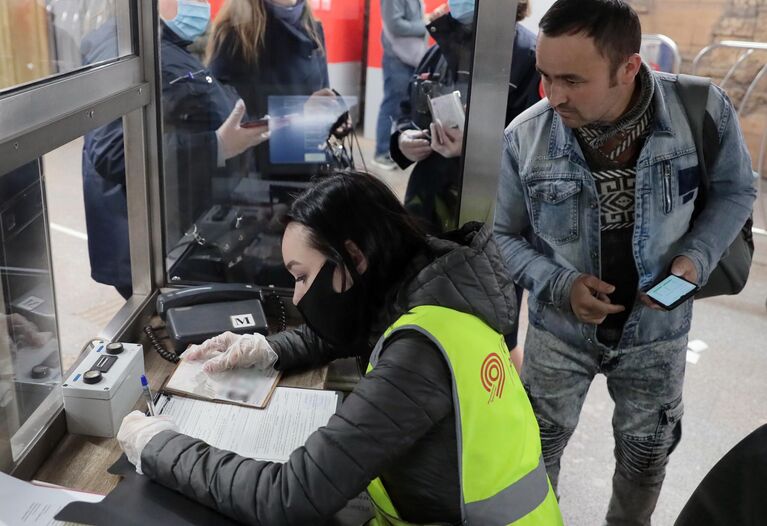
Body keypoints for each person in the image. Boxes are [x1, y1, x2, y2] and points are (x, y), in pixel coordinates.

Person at [117, 171, 563, 525]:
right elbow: (354, 329)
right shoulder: (437, 288)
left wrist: (159, 446)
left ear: (353, 257)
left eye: (302, 276)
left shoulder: (418, 358)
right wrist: (268, 349)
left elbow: (287, 496)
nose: (296, 297)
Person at [493, 1, 757, 524]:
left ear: (628, 68)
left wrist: (693, 261)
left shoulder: (701, 111)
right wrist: (559, 284)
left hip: (657, 332)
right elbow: (500, 236)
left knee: (645, 458)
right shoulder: (525, 137)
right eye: (545, 76)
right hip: (558, 336)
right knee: (534, 456)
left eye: (572, 79)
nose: (553, 95)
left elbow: (736, 191)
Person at [81, 0, 268, 298]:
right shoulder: (120, 49)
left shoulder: (162, 43)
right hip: (151, 250)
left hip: (180, 232)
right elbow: (113, 152)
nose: (202, 5)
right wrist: (216, 146)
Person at [391, 0, 540, 234]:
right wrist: (402, 141)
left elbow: (534, 148)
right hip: (426, 204)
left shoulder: (528, 56)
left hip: (488, 212)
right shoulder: (439, 47)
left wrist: (476, 149)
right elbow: (406, 110)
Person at [372, 0, 430, 171]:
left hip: (411, 59)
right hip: (397, 59)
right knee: (391, 105)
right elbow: (395, 24)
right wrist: (424, 25)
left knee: (403, 109)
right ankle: (381, 152)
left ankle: (395, 151)